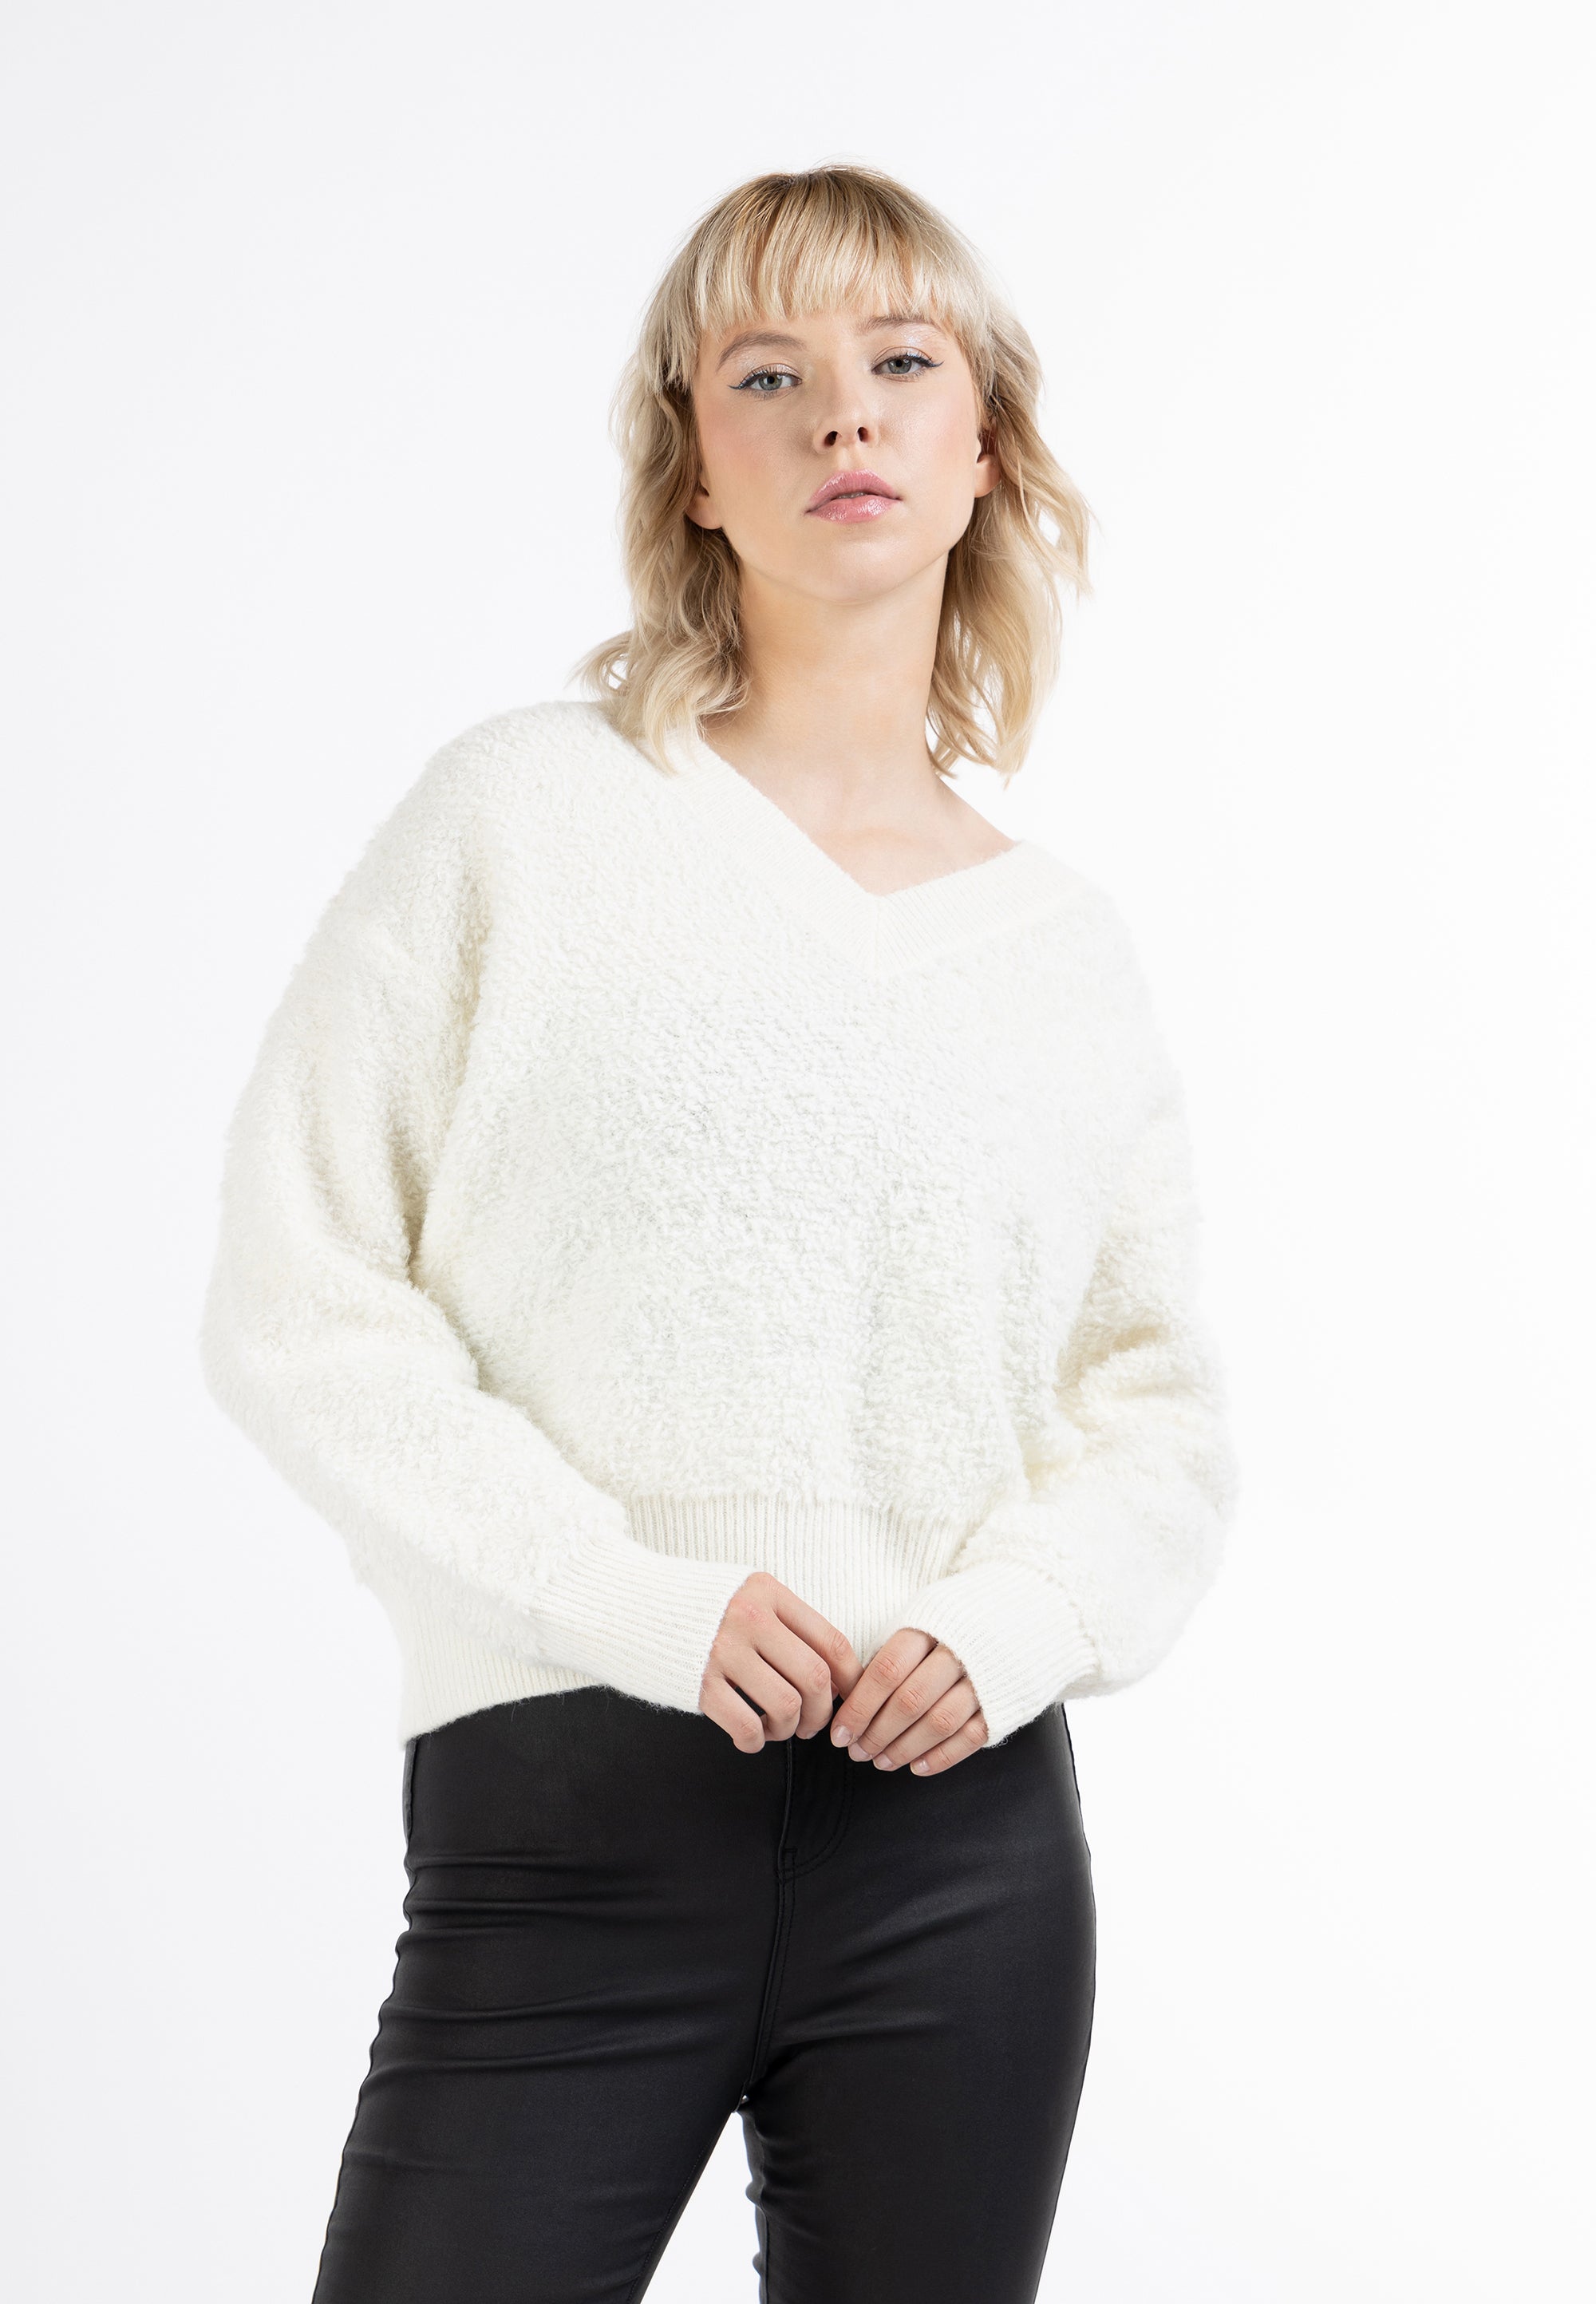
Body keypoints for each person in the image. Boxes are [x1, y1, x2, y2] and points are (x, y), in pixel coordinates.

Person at [201, 162, 1240, 2304]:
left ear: (983, 446)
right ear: (692, 464)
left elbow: (1155, 1406)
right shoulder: (520, 821)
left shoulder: (1064, 952)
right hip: (567, 1817)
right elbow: (301, 1298)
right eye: (769, 372)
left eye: (901, 362)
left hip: (962, 1861)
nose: (843, 412)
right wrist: (628, 1597)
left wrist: (1022, 1616)